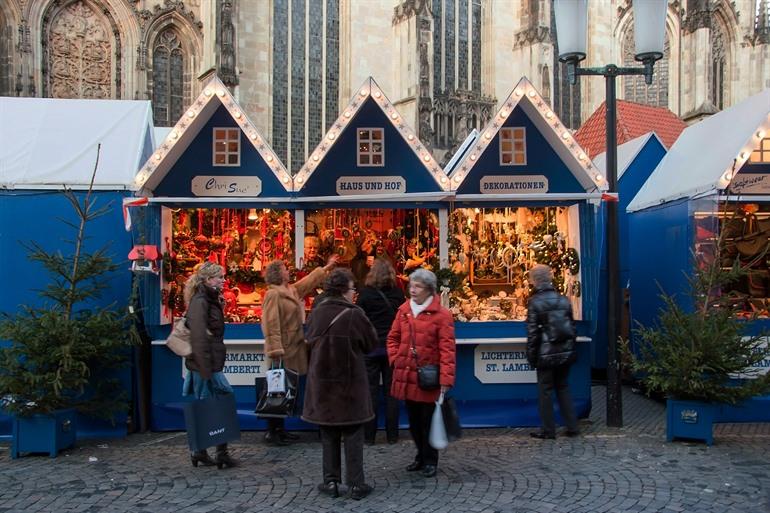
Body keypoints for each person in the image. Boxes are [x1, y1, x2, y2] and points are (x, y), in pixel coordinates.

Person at [303, 268, 377, 500]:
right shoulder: (355, 314)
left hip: (322, 384)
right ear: (344, 290)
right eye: (353, 288)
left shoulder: (316, 313)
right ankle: (356, 484)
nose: (355, 293)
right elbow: (371, 344)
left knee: (329, 433)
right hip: (349, 385)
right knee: (353, 433)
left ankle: (331, 482)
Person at [261, 255, 337, 445]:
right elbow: (271, 324)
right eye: (285, 269)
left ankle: (281, 429)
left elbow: (307, 283)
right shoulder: (273, 294)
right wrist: (276, 349)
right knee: (278, 390)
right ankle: (273, 430)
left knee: (287, 390)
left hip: (294, 347)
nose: (289, 271)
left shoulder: (289, 290)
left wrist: (326, 268)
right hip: (283, 350)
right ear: (278, 274)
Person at [387, 268, 456, 478]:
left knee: (427, 421)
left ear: (428, 289)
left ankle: (430, 459)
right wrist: (395, 359)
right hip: (407, 376)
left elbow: (447, 349)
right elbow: (392, 338)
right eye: (411, 285)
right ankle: (419, 455)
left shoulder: (442, 316)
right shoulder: (403, 310)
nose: (412, 290)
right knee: (414, 421)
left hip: (428, 377)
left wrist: (446, 378)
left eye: (417, 286)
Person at [182, 261, 238, 468]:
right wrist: (205, 368)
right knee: (220, 399)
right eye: (219, 277)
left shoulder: (209, 299)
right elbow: (198, 335)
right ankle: (216, 452)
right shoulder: (201, 301)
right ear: (207, 280)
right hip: (204, 365)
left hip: (207, 363)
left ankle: (203, 451)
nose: (223, 280)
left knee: (210, 403)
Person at [525, 264, 579, 440]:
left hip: (545, 354)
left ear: (535, 281)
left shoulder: (534, 302)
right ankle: (572, 426)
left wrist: (532, 357)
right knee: (563, 387)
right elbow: (572, 327)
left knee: (545, 391)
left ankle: (548, 430)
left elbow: (533, 334)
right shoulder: (564, 300)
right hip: (564, 352)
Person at [356, 258, 405, 445]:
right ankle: (392, 435)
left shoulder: (365, 294)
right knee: (392, 393)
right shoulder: (397, 293)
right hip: (392, 348)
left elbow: (359, 319)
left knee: (371, 392)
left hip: (371, 348)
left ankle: (369, 436)